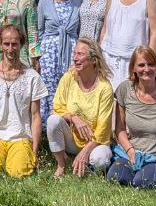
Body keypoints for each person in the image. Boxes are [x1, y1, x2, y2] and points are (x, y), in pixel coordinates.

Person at [0, 25, 46, 178]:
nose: (10, 48)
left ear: (21, 45)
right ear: (0, 44)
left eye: (15, 44)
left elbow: (35, 116)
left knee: (19, 172)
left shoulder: (32, 77)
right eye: (6, 44)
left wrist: (34, 151)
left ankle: (18, 158)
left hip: (20, 137)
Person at [107, 46, 156, 190]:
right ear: (133, 68)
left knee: (142, 182)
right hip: (133, 152)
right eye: (141, 65)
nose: (146, 69)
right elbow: (119, 129)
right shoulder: (125, 89)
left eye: (151, 64)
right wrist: (130, 151)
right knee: (117, 178)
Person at [48, 38, 114, 178]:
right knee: (53, 121)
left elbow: (103, 129)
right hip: (72, 137)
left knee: (100, 160)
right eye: (75, 53)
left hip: (95, 142)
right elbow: (57, 107)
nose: (75, 58)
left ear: (93, 60)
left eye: (80, 54)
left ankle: (87, 166)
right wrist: (74, 118)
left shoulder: (105, 88)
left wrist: (85, 151)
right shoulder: (69, 77)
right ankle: (61, 164)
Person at [98, 0, 156, 89]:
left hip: (134, 60)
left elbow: (155, 33)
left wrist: (149, 62)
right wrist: (99, 54)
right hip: (108, 56)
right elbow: (105, 27)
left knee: (131, 98)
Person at [36, 0, 82, 121]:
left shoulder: (78, 1)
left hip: (71, 52)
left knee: (70, 87)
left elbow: (80, 30)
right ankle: (46, 127)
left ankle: (67, 125)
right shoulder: (44, 2)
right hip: (49, 54)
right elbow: (39, 30)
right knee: (48, 88)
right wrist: (38, 56)